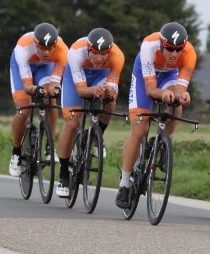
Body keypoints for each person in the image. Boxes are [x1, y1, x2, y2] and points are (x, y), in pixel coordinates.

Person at [115, 22, 197, 208]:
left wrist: (182, 95)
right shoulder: (148, 46)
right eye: (169, 48)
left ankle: (163, 142)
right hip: (144, 78)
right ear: (161, 44)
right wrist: (162, 94)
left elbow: (180, 88)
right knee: (139, 130)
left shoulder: (190, 53)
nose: (174, 53)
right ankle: (124, 183)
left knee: (176, 105)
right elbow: (151, 90)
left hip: (169, 76)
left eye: (178, 49)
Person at [55, 28, 125, 197]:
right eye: (94, 53)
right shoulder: (76, 51)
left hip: (101, 76)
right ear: (88, 49)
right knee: (72, 123)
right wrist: (95, 90)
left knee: (110, 101)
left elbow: (113, 88)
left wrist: (109, 92)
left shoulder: (117, 56)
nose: (99, 58)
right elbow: (81, 91)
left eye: (103, 54)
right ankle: (63, 174)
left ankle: (96, 136)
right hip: (77, 80)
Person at [8, 22, 68, 177]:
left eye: (49, 48)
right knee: (24, 109)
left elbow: (55, 82)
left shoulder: (63, 51)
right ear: (35, 44)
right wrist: (36, 89)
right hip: (22, 66)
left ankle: (49, 147)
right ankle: (15, 154)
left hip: (44, 68)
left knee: (51, 100)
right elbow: (27, 85)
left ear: (55, 45)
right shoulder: (23, 48)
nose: (46, 52)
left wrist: (53, 89)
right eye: (41, 48)